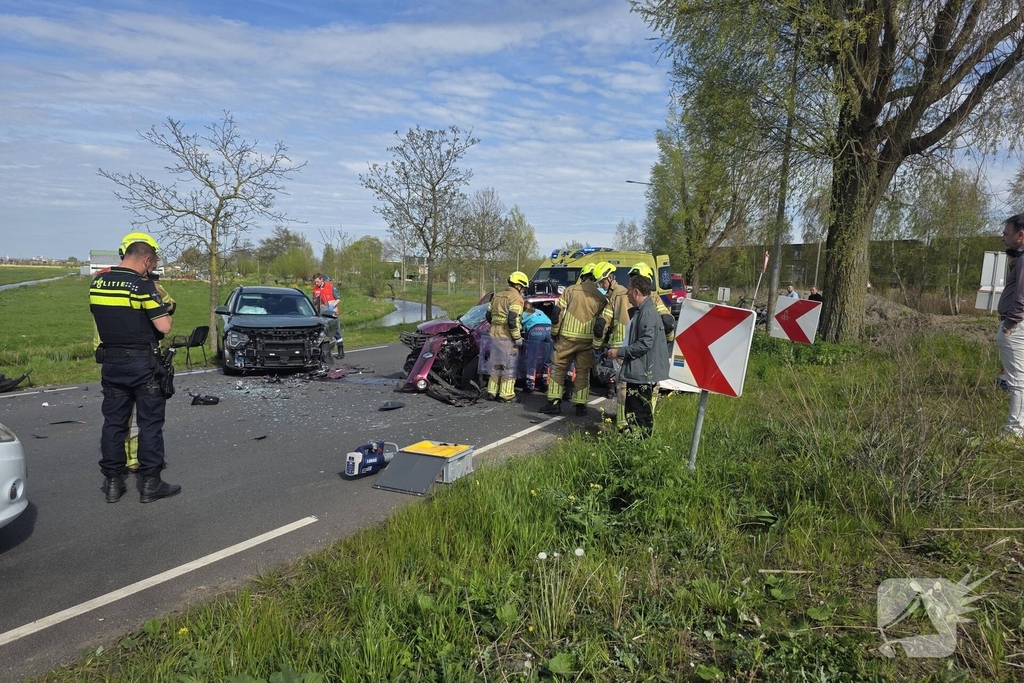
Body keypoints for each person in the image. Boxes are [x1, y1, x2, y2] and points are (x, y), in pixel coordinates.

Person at [90, 232, 180, 503]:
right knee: (150, 424)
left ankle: (113, 484)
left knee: (114, 424)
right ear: (147, 258)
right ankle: (151, 484)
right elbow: (163, 325)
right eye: (153, 264)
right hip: (143, 363)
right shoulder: (141, 286)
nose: (153, 268)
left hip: (111, 363)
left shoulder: (99, 283)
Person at [541, 262, 609, 416]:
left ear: (583, 277)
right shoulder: (601, 298)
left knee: (558, 368)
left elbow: (557, 312)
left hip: (567, 338)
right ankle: (581, 406)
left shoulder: (571, 290)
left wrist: (554, 331)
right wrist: (598, 343)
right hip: (587, 341)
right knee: (583, 372)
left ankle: (554, 402)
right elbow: (602, 323)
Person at [606, 274, 670, 436]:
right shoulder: (644, 311)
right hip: (640, 370)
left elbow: (644, 344)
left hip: (642, 372)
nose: (626, 294)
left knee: (639, 413)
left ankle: (640, 444)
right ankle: (639, 443)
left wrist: (618, 352)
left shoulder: (647, 313)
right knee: (637, 411)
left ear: (636, 292)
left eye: (629, 291)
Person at [594, 263, 631, 427]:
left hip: (619, 347)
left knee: (621, 385)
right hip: (635, 346)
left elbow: (603, 324)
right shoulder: (629, 293)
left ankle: (622, 422)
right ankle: (632, 419)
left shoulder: (616, 296)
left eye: (602, 282)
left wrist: (596, 344)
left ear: (610, 278)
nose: (601, 285)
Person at [997, 213, 1024, 437]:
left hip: (1015, 325)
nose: (1003, 237)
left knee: (1016, 380)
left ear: (1020, 234)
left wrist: (1009, 324)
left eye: (1007, 233)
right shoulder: (1020, 258)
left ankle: (1015, 431)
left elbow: (1021, 296)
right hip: (1016, 324)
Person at [486, 271, 528, 401]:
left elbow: (488, 316)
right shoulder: (516, 298)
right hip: (507, 337)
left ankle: (492, 392)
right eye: (523, 288)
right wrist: (517, 338)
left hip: (494, 335)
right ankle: (506, 395)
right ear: (519, 286)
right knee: (508, 366)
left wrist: (496, 326)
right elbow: (513, 320)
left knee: (496, 364)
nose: (523, 291)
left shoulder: (497, 296)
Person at [520, 301, 552, 394]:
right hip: (549, 329)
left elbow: (518, 328)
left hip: (536, 330)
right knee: (548, 360)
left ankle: (529, 387)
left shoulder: (523, 314)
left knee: (532, 360)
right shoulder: (539, 311)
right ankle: (546, 385)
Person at [312, 273, 343, 358]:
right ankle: (325, 353)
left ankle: (341, 351)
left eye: (317, 282)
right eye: (315, 282)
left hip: (332, 313)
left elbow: (338, 299)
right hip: (321, 314)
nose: (316, 284)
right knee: (323, 333)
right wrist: (314, 303)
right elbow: (314, 302)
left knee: (336, 332)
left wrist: (332, 306)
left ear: (322, 279)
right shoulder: (315, 289)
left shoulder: (330, 286)